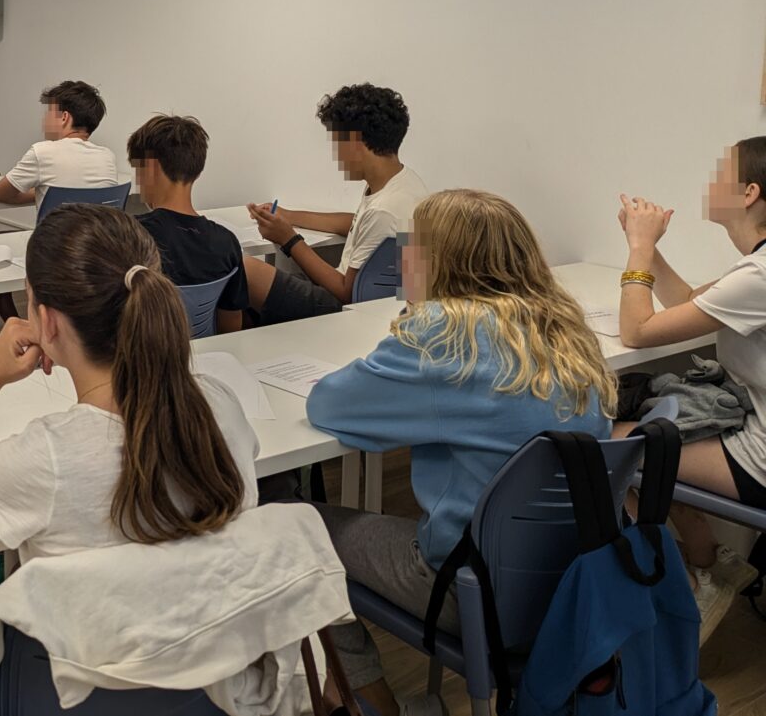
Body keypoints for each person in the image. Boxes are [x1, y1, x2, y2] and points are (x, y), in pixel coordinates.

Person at [0, 204, 259, 715]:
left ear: (45, 320)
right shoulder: (220, 405)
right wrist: (11, 460)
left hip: (76, 693)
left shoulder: (48, 456)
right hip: (207, 684)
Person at [305, 189, 615, 716]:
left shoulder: (445, 334)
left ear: (438, 261)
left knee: (296, 529)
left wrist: (413, 320)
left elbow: (329, 405)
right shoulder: (567, 331)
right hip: (575, 585)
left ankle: (377, 708)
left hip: (473, 590)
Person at [614, 137, 766, 644]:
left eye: (722, 172)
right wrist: (646, 247)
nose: (710, 179)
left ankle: (687, 584)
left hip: (762, 455)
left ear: (749, 192)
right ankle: (711, 560)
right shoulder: (754, 268)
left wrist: (639, 250)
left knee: (607, 445)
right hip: (754, 423)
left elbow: (637, 331)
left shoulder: (760, 275)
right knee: (656, 424)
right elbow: (682, 300)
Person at [243, 83, 427, 323]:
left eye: (338, 144)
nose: (337, 155)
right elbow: (355, 223)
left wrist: (288, 239)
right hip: (374, 302)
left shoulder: (384, 209)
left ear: (356, 145)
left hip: (344, 308)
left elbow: (347, 293)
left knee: (246, 270)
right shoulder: (403, 183)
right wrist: (288, 216)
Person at [128, 114, 247, 334]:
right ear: (197, 171)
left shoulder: (130, 234)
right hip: (204, 351)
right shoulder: (227, 242)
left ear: (151, 168)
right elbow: (231, 323)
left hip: (143, 351)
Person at [0, 80, 118, 208]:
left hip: (58, 224)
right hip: (98, 223)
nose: (44, 119)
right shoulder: (108, 157)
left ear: (64, 117)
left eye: (49, 112)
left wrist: (41, 192)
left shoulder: (41, 153)